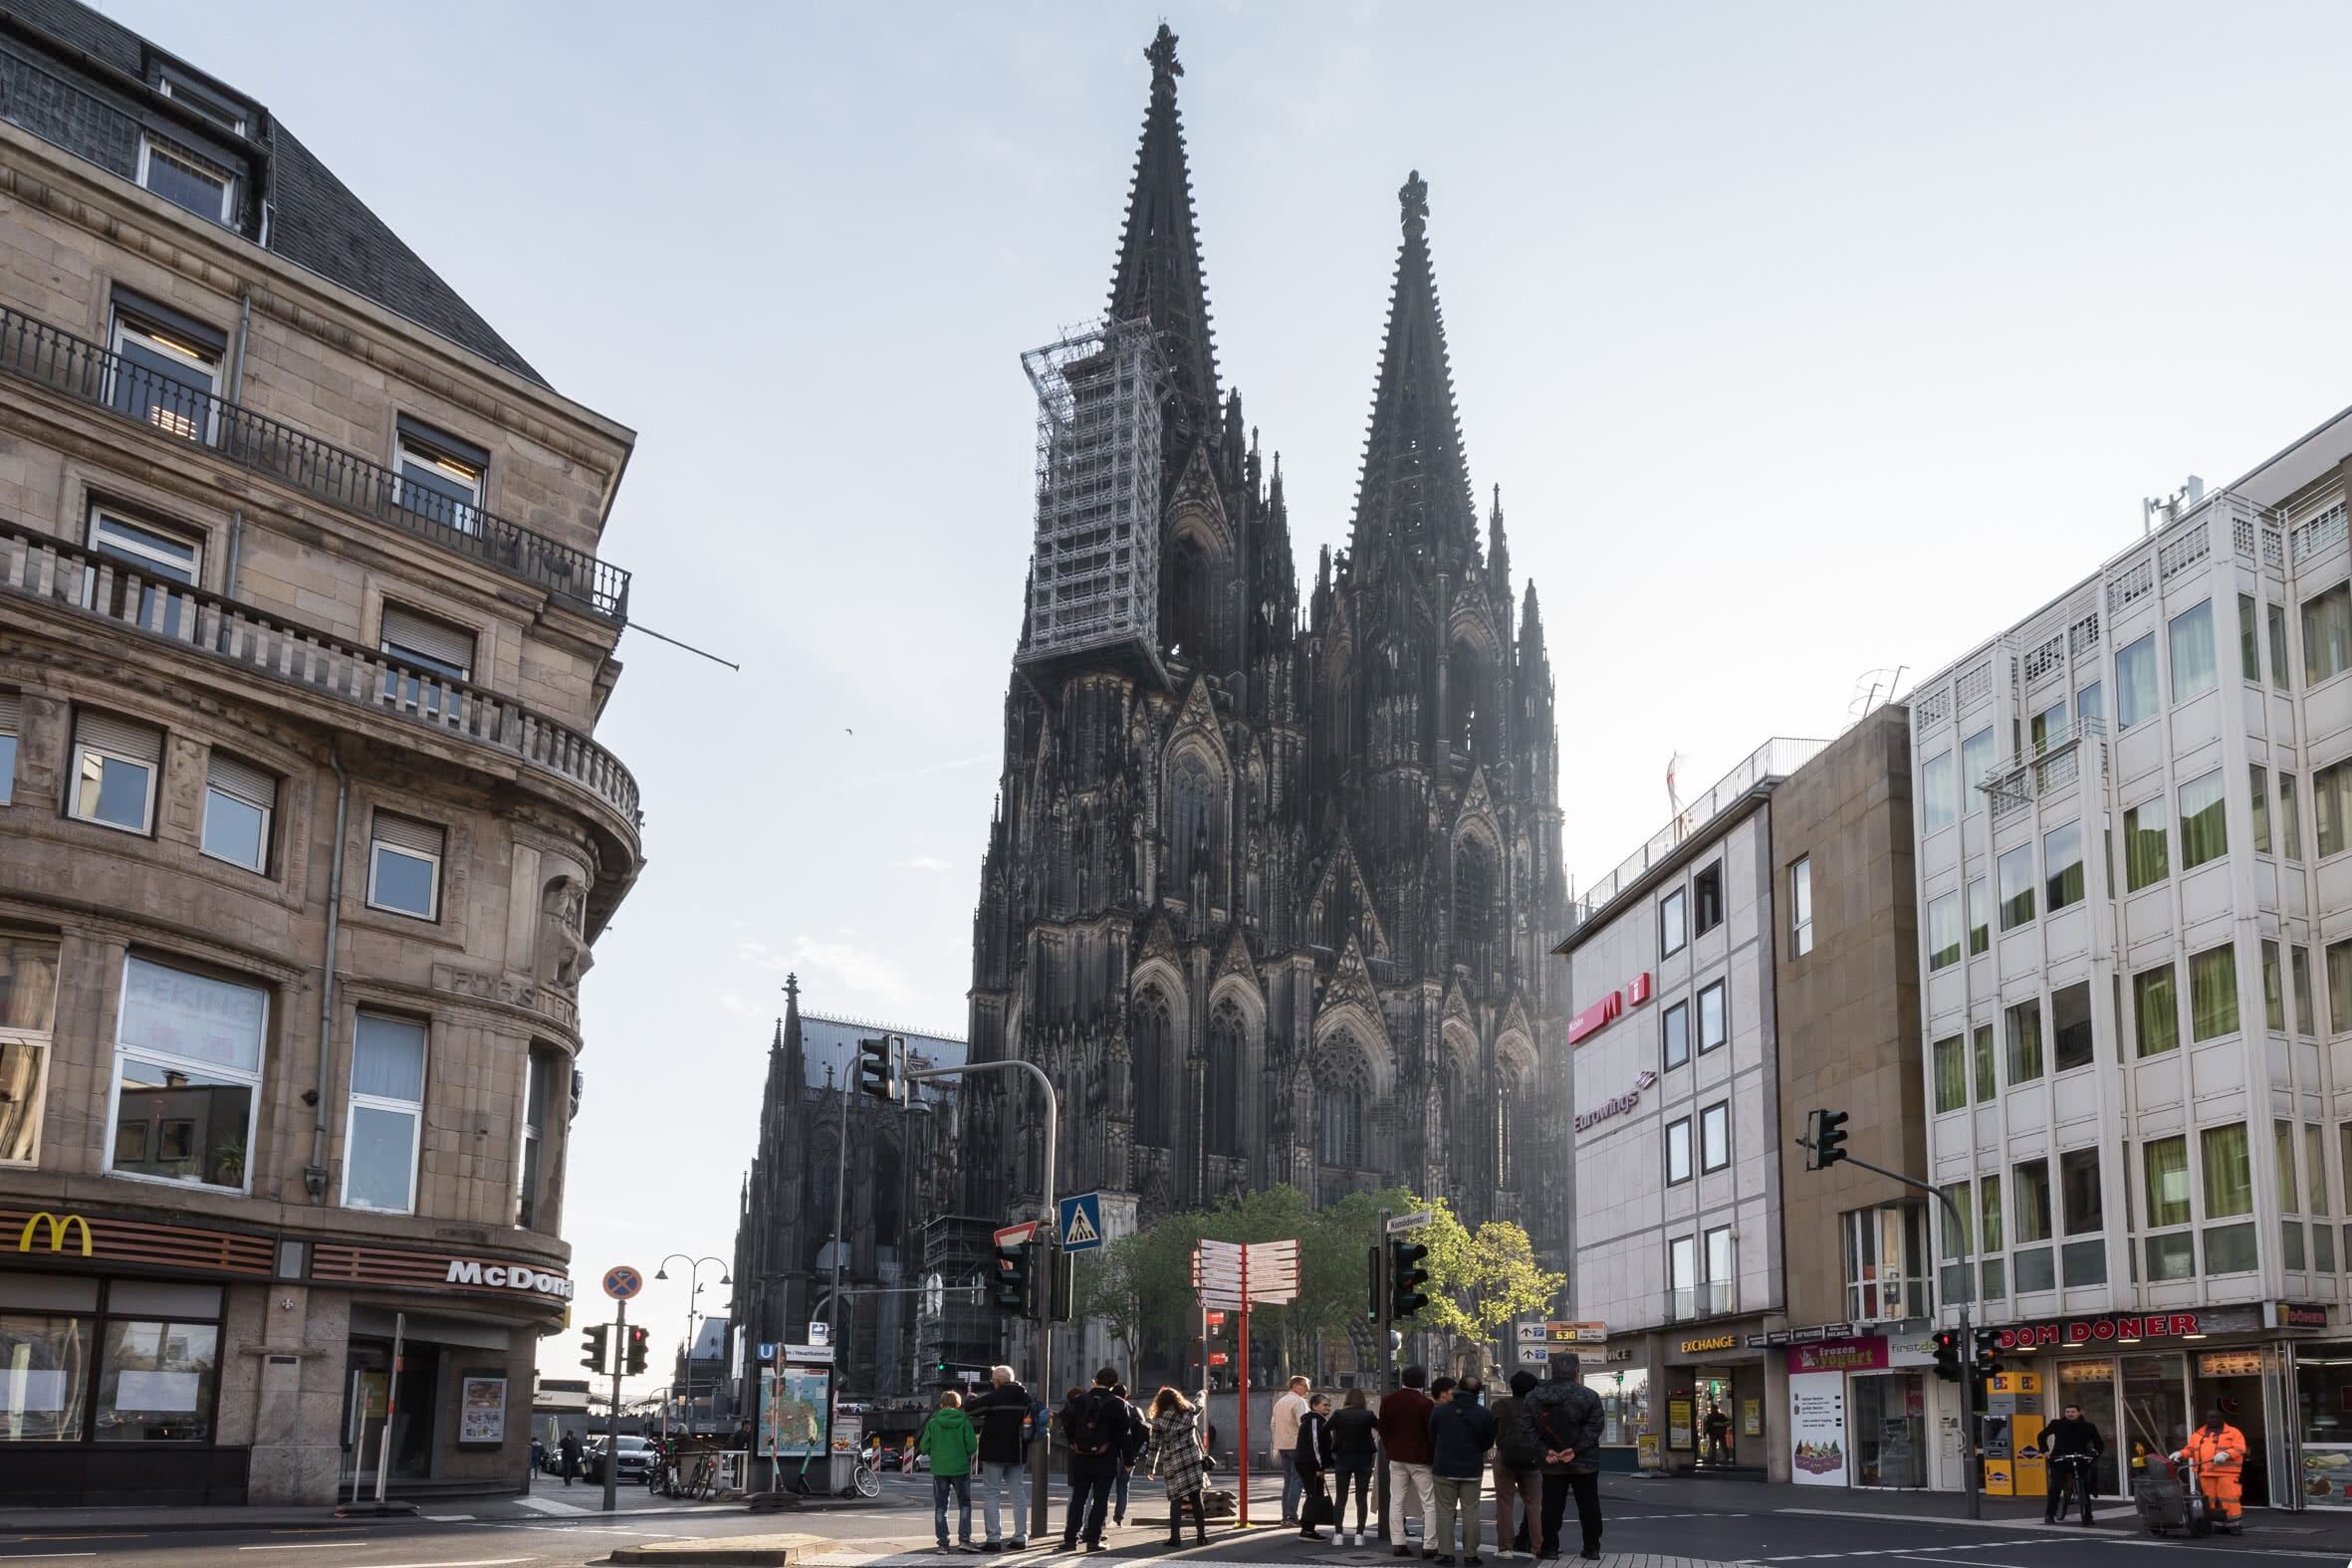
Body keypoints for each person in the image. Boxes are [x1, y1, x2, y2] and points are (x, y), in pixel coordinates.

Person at [1523, 1353, 1604, 1562]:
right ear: (1577, 1371)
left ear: (1552, 1369)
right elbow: (1595, 1427)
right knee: (1589, 1506)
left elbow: (1526, 1427)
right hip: (1584, 1461)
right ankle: (1592, 1547)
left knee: (1551, 1506)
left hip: (1552, 1463)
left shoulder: (1534, 1396)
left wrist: (1545, 1451)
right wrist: (1575, 1450)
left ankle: (1549, 1548)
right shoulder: (1589, 1396)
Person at [1058, 1367, 1133, 1552]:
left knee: (1079, 1498)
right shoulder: (1118, 1404)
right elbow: (1125, 1434)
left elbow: (1065, 1419)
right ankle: (1093, 1539)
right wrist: (1129, 1459)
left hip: (1080, 1456)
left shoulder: (1078, 1401)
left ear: (1095, 1380)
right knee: (1101, 1499)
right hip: (1106, 1457)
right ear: (1114, 1384)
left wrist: (1072, 1441)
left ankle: (1070, 1539)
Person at [1428, 1375, 1498, 1566]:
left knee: (1444, 1510)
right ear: (1478, 1392)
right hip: (1472, 1468)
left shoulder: (1440, 1412)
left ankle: (1446, 1553)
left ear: (1457, 1388)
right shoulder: (1484, 1414)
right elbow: (1487, 1443)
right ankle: (1471, 1554)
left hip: (1444, 1467)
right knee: (1471, 1511)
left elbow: (1432, 1437)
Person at [1141, 1386, 1213, 1548]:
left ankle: (1175, 1538)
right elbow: (1199, 1404)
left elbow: (1154, 1445)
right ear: (1177, 1399)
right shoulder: (1189, 1411)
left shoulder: (1158, 1419)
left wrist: (1150, 1468)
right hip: (1192, 1457)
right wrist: (1201, 1393)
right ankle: (1201, 1536)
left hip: (1173, 1460)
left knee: (1175, 1499)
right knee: (1196, 1498)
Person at [973, 1364, 1033, 1551]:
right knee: (1018, 1493)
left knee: (992, 1493)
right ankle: (1020, 1537)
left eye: (992, 1380)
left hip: (994, 1452)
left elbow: (969, 1409)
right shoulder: (1026, 1398)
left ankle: (993, 1539)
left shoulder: (994, 1397)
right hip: (1018, 1451)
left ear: (997, 1382)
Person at [1379, 1366, 1437, 1557]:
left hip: (1396, 1456)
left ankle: (1398, 1543)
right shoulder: (1425, 1403)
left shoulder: (1389, 1400)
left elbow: (1383, 1429)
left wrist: (1391, 1447)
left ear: (1403, 1379)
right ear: (1422, 1381)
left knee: (1396, 1500)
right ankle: (1429, 1545)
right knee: (1429, 1502)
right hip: (1420, 1458)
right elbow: (1430, 1433)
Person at [919, 1390, 981, 1552]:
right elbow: (973, 1447)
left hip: (940, 1469)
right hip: (960, 1468)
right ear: (958, 1404)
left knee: (941, 1507)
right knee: (965, 1505)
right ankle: (965, 1540)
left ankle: (943, 1544)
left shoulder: (933, 1423)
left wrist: (938, 1451)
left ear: (941, 1405)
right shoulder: (964, 1421)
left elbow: (924, 1447)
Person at [1490, 1371, 1541, 1558]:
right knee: (1534, 1504)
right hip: (1532, 1459)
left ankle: (1505, 1548)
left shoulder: (1499, 1405)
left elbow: (1492, 1431)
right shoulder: (1538, 1407)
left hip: (1505, 1458)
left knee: (1504, 1503)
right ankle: (1538, 1546)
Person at [2173, 1408, 2247, 1531]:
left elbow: (2239, 1448)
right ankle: (2217, 1525)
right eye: (2210, 1417)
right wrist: (2181, 1453)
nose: (2212, 1420)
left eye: (2215, 1417)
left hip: (2227, 1473)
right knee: (2210, 1501)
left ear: (2221, 1418)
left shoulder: (2234, 1432)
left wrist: (2226, 1454)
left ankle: (2234, 1525)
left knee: (2229, 1498)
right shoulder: (2198, 1434)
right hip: (2206, 1473)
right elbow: (2190, 1449)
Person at [1330, 1387, 1382, 1546]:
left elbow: (1323, 1430)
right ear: (1362, 1400)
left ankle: (1338, 1534)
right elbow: (1383, 1429)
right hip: (1364, 1459)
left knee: (1340, 1498)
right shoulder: (1368, 1415)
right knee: (1361, 1498)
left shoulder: (1338, 1414)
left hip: (1343, 1459)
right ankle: (1359, 1534)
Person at [2041, 1402, 2104, 1525]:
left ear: (2079, 1413)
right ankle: (2049, 1515)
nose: (2070, 1414)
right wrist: (2046, 1451)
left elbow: (2099, 1443)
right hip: (2060, 1459)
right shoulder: (2057, 1424)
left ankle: (2088, 1516)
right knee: (2056, 1487)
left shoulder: (2088, 1426)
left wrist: (2093, 1456)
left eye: (2073, 1412)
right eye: (2067, 1412)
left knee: (2085, 1487)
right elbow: (2041, 1436)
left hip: (2080, 1458)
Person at [1273, 1374, 1312, 1525]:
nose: (1308, 1391)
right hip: (1297, 1445)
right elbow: (1304, 1425)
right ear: (1297, 1386)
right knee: (1297, 1480)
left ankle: (1286, 1516)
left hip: (1282, 1444)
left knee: (1288, 1481)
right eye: (1306, 1387)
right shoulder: (1299, 1402)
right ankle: (1291, 1516)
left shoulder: (1280, 1402)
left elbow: (1273, 1424)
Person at [1295, 1392, 1336, 1540]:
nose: (1328, 1408)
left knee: (1315, 1494)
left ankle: (1309, 1529)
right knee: (1313, 1495)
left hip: (1309, 1463)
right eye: (1325, 1405)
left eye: (1329, 1405)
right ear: (1314, 1405)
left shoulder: (1318, 1420)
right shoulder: (1314, 1421)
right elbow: (1315, 1445)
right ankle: (1307, 1530)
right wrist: (1319, 1467)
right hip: (1310, 1465)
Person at [1113, 1383, 1146, 1526]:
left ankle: (1101, 1518)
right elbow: (1144, 1432)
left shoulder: (1111, 1408)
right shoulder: (1135, 1411)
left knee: (1104, 1487)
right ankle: (1119, 1517)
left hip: (1113, 1453)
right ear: (1126, 1395)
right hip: (1130, 1454)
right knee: (1124, 1486)